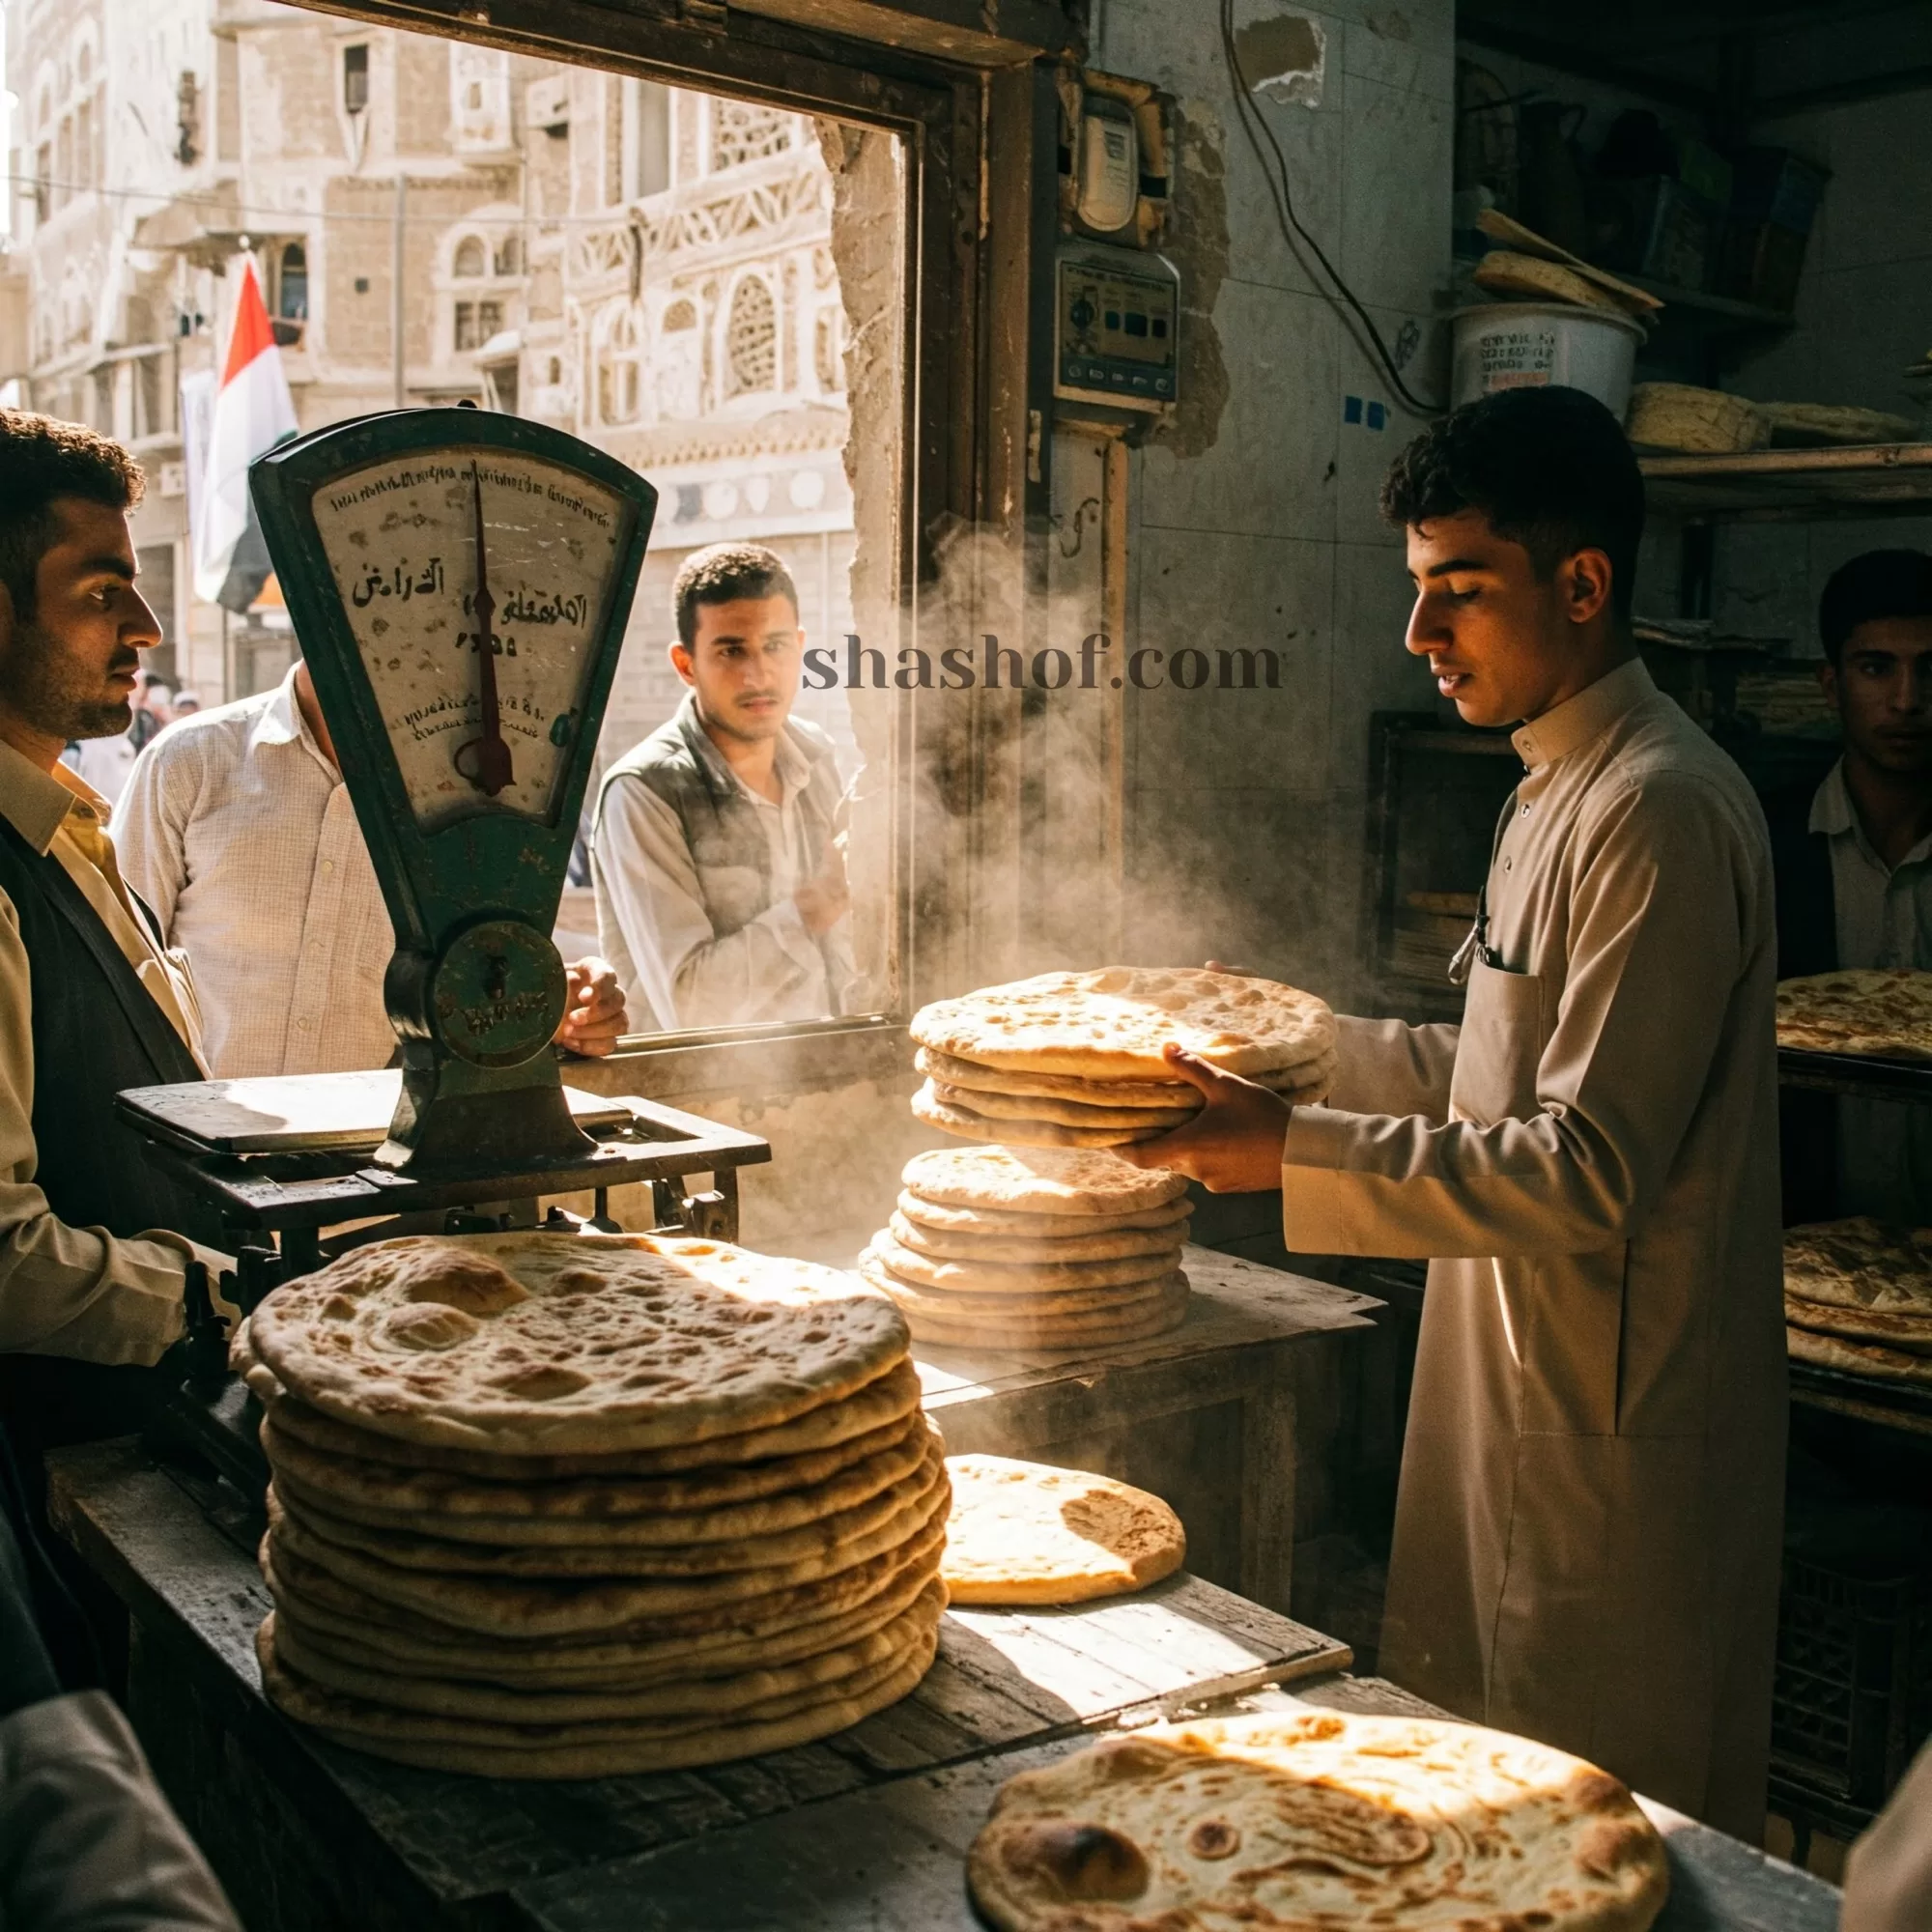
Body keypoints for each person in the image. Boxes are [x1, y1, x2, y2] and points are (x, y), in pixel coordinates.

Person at [1125, 386, 1786, 1837]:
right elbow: (1485, 1075)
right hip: (1511, 1394)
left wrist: (1289, 1157)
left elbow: (1586, 1169)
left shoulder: (1661, 809)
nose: (1421, 637)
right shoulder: (1549, 788)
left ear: (1586, 583)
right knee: (1489, 1814)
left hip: (1612, 1444)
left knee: (1600, 1835)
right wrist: (1292, 1054)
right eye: (1418, 594)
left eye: (1458, 594)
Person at [0, 412, 236, 1684]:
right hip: (57, 1501)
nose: (141, 629)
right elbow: (1, 1259)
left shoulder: (66, 827)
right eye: (100, 595)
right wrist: (211, 1292)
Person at [115, 654, 629, 1080]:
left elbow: (471, 988)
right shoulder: (189, 762)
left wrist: (558, 1004)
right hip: (194, 1167)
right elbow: (114, 976)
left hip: (373, 1180)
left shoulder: (467, 795)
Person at [591, 543, 853, 1032]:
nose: (759, 673)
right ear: (685, 664)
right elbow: (687, 1005)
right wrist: (819, 904)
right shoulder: (643, 793)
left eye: (775, 646)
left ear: (799, 646)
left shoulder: (816, 757)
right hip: (700, 1097)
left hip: (835, 1076)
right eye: (732, 650)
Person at [1765, 549, 1932, 1225]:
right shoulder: (1761, 845)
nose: (1906, 701)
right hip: (1801, 1248)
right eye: (1876, 668)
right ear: (1831, 685)